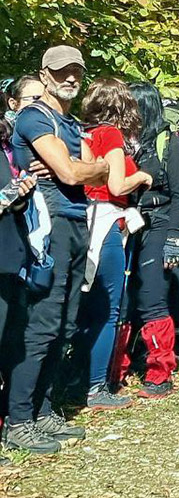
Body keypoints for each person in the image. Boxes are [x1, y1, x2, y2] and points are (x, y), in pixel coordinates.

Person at [7, 46, 109, 454]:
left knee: (66, 323)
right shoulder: (36, 117)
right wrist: (93, 167)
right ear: (44, 74)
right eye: (61, 71)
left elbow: (89, 171)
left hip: (74, 221)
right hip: (46, 227)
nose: (69, 78)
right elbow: (75, 171)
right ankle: (18, 420)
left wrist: (88, 167)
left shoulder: (68, 122)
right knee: (43, 323)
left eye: (76, 72)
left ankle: (43, 410)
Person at [76, 78, 152, 410]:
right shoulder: (110, 134)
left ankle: (73, 379)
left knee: (80, 308)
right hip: (106, 222)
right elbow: (118, 183)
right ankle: (96, 387)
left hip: (81, 221)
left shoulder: (80, 132)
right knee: (106, 310)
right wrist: (143, 177)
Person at [121, 82, 179, 398]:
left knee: (152, 294)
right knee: (122, 299)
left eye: (131, 106)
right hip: (126, 225)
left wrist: (173, 239)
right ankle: (115, 371)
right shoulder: (122, 142)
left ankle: (159, 373)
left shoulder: (169, 144)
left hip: (159, 224)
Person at [0, 90, 39, 462]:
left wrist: (19, 191)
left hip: (10, 256)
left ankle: (13, 422)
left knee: (11, 343)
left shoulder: (3, 143)